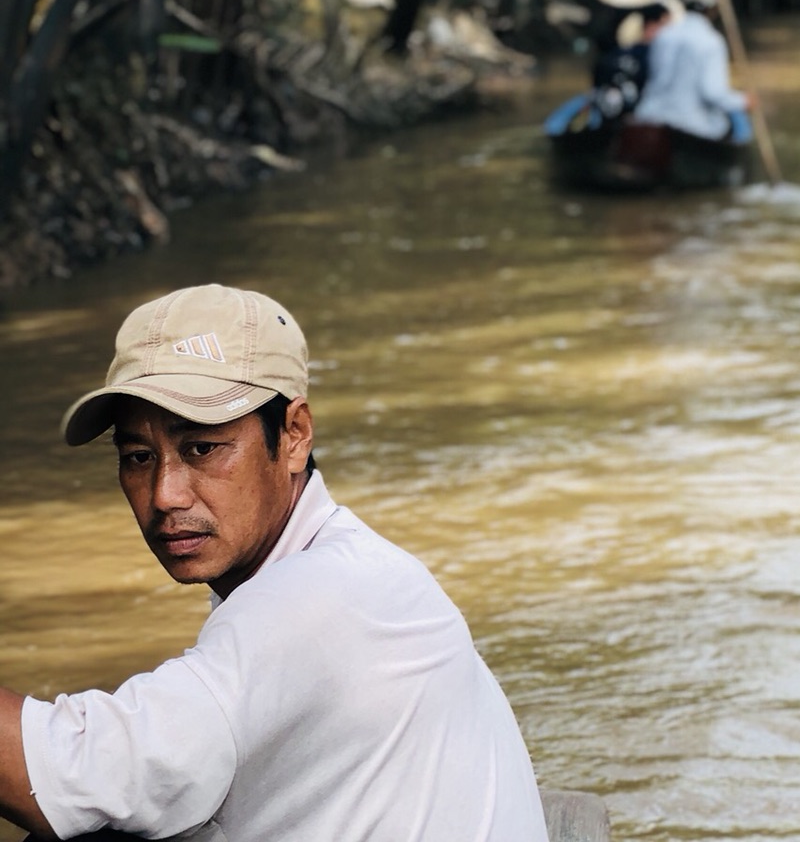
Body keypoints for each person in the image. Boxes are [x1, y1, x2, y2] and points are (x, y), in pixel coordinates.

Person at [0, 283, 547, 842]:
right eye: (139, 457)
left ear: (294, 435)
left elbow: (78, 771)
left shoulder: (317, 596)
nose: (164, 494)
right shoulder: (353, 566)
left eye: (201, 448)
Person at [632, 0, 750, 140]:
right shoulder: (711, 41)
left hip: (648, 118)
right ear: (713, 7)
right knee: (738, 120)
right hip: (692, 126)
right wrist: (744, 101)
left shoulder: (664, 35)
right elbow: (713, 93)